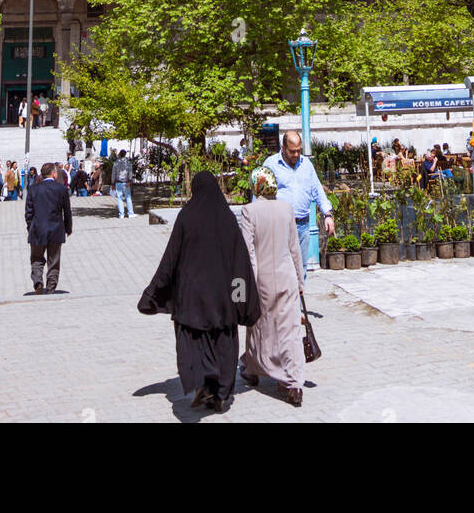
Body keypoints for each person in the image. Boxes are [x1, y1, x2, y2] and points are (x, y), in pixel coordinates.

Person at [137, 171, 260, 413]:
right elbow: (240, 264)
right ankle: (220, 392)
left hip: (192, 298)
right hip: (223, 300)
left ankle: (204, 384)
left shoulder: (187, 216)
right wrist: (241, 303)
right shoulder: (226, 218)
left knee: (194, 344)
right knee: (224, 342)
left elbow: (170, 258)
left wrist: (153, 294)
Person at [238, 166, 305, 406]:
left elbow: (249, 252)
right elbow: (294, 248)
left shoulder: (249, 211)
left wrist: (249, 287)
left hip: (262, 281)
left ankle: (254, 370)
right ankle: (294, 383)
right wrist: (299, 281)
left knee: (260, 330)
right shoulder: (286, 209)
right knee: (289, 331)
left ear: (256, 185)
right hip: (286, 277)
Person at [263, 131, 335, 279]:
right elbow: (259, 194)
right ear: (283, 148)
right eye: (292, 151)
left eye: (298, 150)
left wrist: (327, 214)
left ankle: (298, 302)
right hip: (279, 226)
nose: (296, 154)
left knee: (300, 269)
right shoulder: (271, 164)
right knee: (281, 270)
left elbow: (317, 190)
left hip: (302, 225)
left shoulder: (306, 164)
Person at [24, 161, 73, 293]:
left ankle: (38, 282)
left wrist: (31, 227)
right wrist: (68, 228)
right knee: (54, 260)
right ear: (53, 173)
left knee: (36, 258)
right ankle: (51, 287)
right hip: (56, 229)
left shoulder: (33, 189)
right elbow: (66, 211)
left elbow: (28, 212)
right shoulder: (61, 189)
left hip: (37, 230)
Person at [112, 150, 135, 218]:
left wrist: (112, 183)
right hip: (126, 182)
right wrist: (129, 181)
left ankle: (121, 214)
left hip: (118, 182)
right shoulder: (128, 163)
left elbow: (113, 174)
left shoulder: (116, 163)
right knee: (128, 197)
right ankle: (130, 213)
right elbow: (130, 173)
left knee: (119, 198)